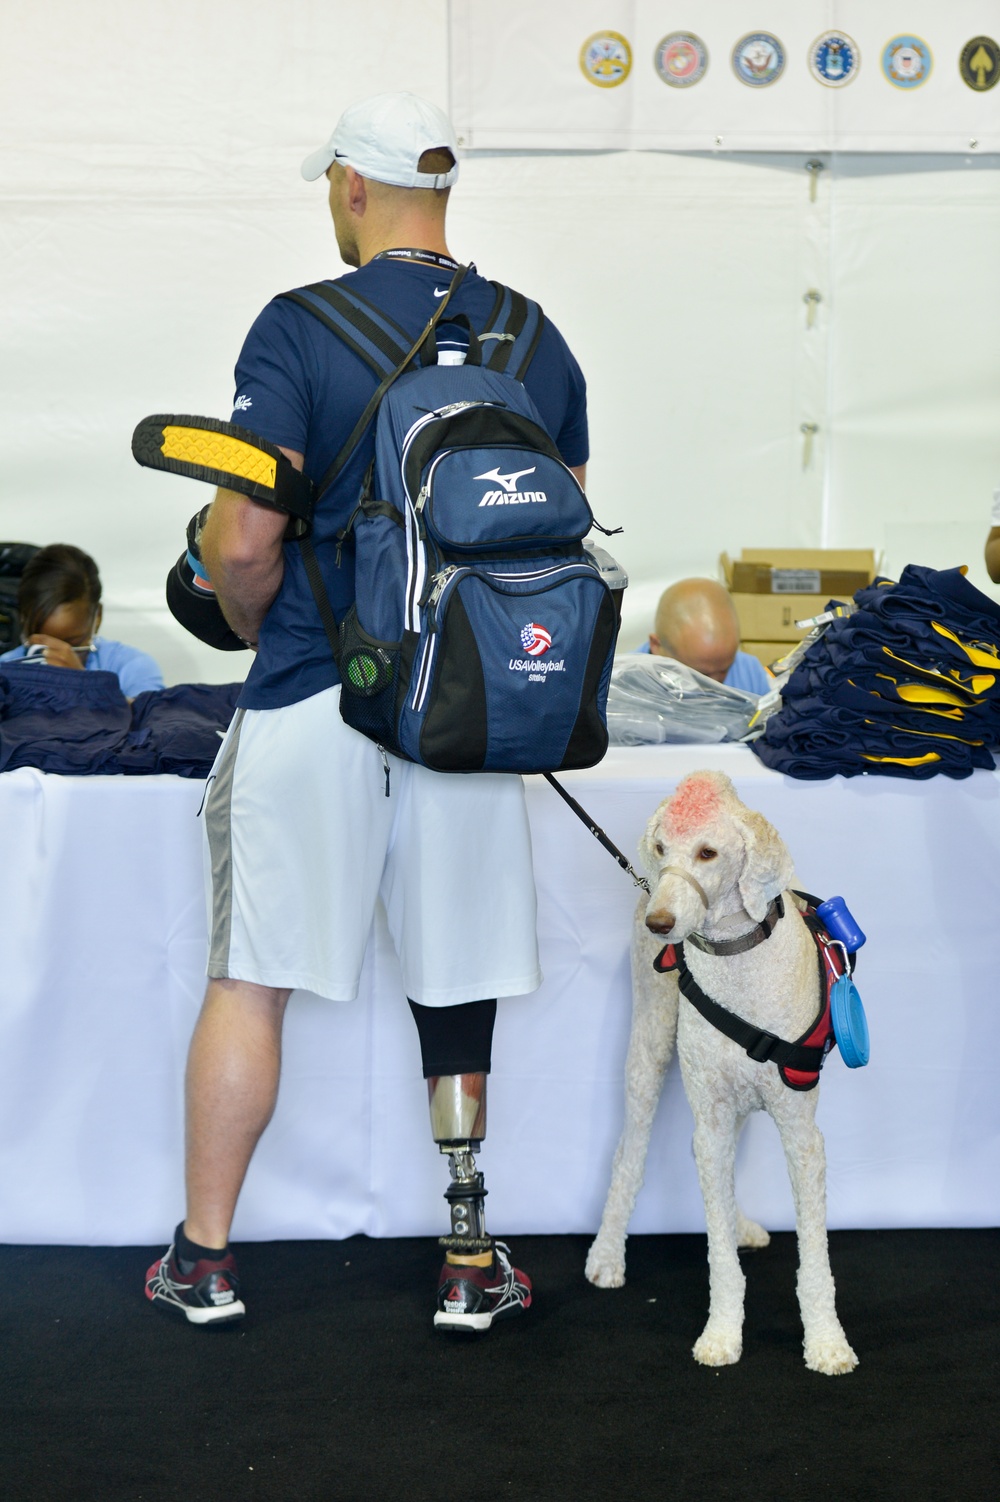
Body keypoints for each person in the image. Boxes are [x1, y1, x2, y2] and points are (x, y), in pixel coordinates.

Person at [144, 92, 589, 1331]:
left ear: (350, 186)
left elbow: (242, 539)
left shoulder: (299, 328)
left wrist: (260, 628)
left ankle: (206, 1258)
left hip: (312, 701)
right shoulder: (531, 337)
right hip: (468, 716)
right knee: (455, 984)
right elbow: (557, 528)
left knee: (251, 978)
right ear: (442, 186)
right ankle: (465, 1252)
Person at [0, 543, 163, 697]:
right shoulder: (7, 669)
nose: (58, 658)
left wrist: (84, 685)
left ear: (97, 617)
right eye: (42, 646)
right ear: (23, 622)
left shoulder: (130, 666)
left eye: (74, 645)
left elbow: (152, 719)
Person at [639, 578, 770, 693]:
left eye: (725, 670)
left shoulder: (749, 672)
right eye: (701, 675)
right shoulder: (628, 683)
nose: (715, 685)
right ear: (656, 646)